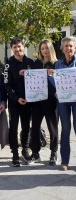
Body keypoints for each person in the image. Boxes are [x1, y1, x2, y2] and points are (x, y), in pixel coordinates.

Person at [4, 38, 34, 167]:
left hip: (29, 101)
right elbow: (6, 85)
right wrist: (16, 98)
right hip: (15, 102)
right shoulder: (7, 65)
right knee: (14, 127)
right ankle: (15, 153)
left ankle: (25, 150)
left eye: (19, 46)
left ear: (24, 46)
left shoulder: (31, 62)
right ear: (12, 49)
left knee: (26, 127)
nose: (17, 49)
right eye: (15, 47)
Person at [29, 40, 58, 165]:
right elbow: (31, 77)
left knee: (53, 128)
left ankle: (53, 153)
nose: (45, 50)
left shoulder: (57, 64)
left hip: (52, 100)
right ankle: (35, 153)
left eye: (47, 48)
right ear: (40, 50)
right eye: (42, 48)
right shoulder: (36, 63)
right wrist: (26, 74)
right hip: (37, 100)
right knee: (35, 127)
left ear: (50, 49)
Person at [54, 36, 76, 171]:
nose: (68, 48)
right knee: (65, 129)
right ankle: (65, 160)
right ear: (62, 49)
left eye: (71, 46)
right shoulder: (58, 64)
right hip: (63, 101)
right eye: (66, 46)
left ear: (75, 48)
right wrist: (51, 76)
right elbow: (55, 83)